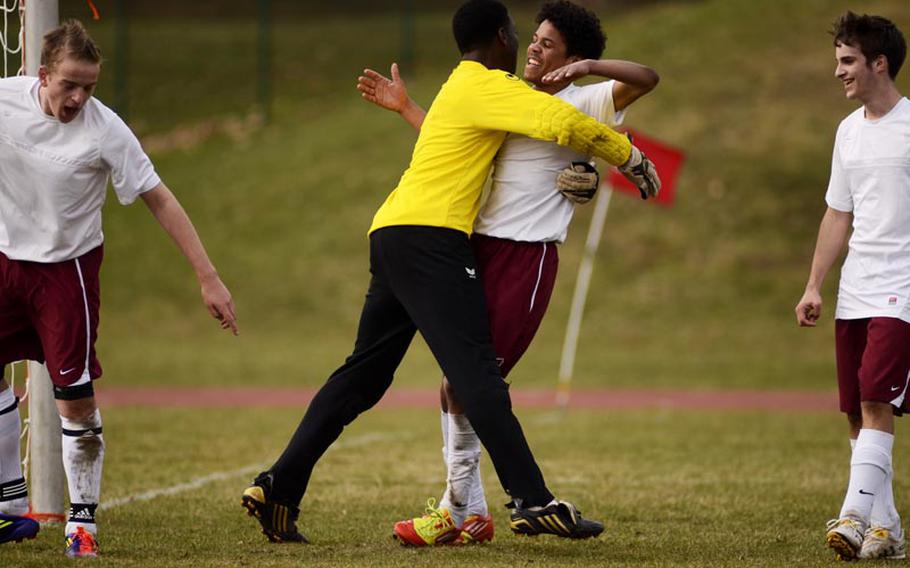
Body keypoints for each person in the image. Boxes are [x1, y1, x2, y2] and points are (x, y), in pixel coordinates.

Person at [241, 0, 659, 545]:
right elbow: (560, 121)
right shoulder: (495, 86)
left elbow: (469, 138)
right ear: (503, 38)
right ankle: (530, 501)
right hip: (433, 240)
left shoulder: (460, 85)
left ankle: (279, 487)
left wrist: (405, 107)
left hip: (392, 232)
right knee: (476, 376)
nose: (529, 45)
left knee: (363, 376)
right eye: (524, 36)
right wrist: (627, 156)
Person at [0, 20, 238, 557]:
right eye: (69, 85)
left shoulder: (105, 131)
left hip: (67, 273)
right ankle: (8, 507)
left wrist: (209, 277)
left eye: (89, 86)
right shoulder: (6, 100)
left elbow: (161, 199)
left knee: (74, 399)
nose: (80, 97)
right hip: (7, 262)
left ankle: (82, 525)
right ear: (42, 75)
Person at [795, 10, 908, 562]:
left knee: (874, 396)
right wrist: (814, 284)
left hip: (903, 291)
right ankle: (885, 527)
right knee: (853, 410)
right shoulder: (847, 131)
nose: (837, 72)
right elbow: (838, 213)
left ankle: (853, 515)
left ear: (877, 64)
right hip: (857, 288)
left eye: (847, 61)